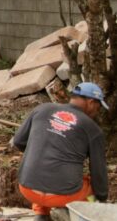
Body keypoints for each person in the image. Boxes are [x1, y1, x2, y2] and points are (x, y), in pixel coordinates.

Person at [12, 82, 109, 221]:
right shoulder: (92, 129)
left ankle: (41, 213)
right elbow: (98, 172)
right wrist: (102, 199)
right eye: (98, 107)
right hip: (65, 196)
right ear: (91, 102)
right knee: (94, 190)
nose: (97, 112)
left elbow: (18, 142)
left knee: (43, 165)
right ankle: (77, 214)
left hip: (28, 189)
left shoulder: (42, 109)